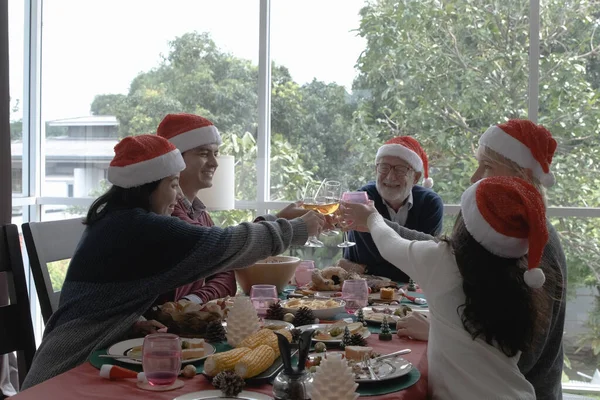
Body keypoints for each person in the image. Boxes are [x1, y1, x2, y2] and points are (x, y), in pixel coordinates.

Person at [21, 135, 324, 389]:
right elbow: (222, 246)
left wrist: (133, 320)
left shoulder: (118, 220)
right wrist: (297, 229)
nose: (177, 195)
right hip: (66, 373)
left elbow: (101, 299)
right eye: (173, 184)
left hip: (92, 358)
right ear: (147, 186)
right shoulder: (141, 228)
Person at [345, 119, 566, 400]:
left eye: (486, 166)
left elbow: (524, 352)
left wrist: (438, 331)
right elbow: (451, 256)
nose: (474, 178)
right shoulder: (510, 236)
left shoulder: (537, 246)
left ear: (519, 175)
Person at [151, 113, 309, 314]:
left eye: (215, 153)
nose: (214, 163)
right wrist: (282, 222)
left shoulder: (200, 213)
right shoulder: (167, 215)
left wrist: (192, 301)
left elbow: (225, 271)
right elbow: (222, 249)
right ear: (176, 161)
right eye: (203, 153)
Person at [343, 136, 444, 282]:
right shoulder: (363, 200)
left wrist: (364, 268)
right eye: (384, 167)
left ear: (415, 177)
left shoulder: (430, 203)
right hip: (366, 291)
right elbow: (370, 258)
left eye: (400, 169)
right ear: (376, 170)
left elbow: (425, 263)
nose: (390, 177)